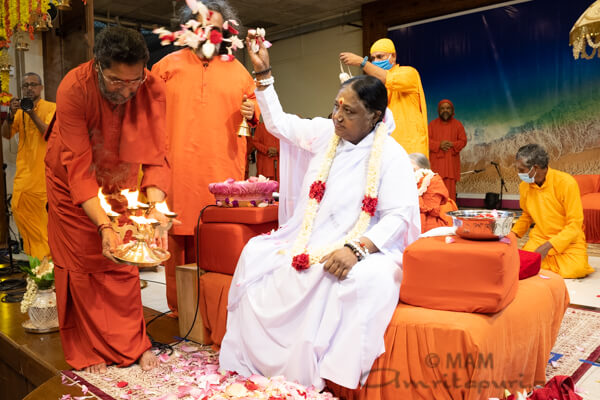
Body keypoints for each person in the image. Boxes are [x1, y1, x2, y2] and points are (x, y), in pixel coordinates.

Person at [219, 33, 421, 391]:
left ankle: (325, 371)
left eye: (349, 111)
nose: (338, 117)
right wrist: (264, 75)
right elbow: (279, 124)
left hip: (366, 247)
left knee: (363, 280)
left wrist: (356, 249)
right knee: (256, 254)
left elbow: (397, 217)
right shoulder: (325, 134)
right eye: (336, 106)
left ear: (375, 116)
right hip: (310, 238)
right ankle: (257, 359)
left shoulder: (390, 156)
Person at [45, 26, 171, 373]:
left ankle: (133, 344)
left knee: (124, 259)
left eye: (134, 82)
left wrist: (155, 211)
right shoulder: (74, 87)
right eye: (117, 82)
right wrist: (102, 224)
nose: (127, 92)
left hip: (121, 179)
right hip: (71, 183)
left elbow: (157, 158)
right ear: (99, 66)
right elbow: (79, 168)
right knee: (86, 264)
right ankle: (89, 350)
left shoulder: (151, 88)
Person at [151, 0, 259, 315]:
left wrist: (254, 113)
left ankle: (221, 312)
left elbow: (255, 113)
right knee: (179, 243)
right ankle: (179, 311)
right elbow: (148, 116)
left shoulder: (239, 71)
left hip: (222, 171)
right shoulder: (167, 66)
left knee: (220, 242)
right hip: (177, 168)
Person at [511, 144, 594, 278]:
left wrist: (549, 246)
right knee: (522, 263)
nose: (519, 174)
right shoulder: (524, 186)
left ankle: (546, 264)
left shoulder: (566, 182)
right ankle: (546, 263)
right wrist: (512, 235)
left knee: (576, 270)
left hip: (568, 240)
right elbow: (527, 215)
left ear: (535, 168)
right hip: (540, 238)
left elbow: (575, 224)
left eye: (521, 170)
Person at [339, 38, 428, 156]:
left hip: (411, 148)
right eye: (373, 58)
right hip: (387, 148)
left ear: (393, 56)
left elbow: (388, 79)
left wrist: (363, 62)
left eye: (380, 57)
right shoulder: (377, 86)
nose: (375, 61)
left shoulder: (409, 73)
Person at [1, 73, 55, 260]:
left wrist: (31, 112)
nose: (29, 88)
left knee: (40, 223)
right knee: (18, 209)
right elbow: (7, 135)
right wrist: (10, 116)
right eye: (25, 86)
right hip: (23, 174)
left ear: (41, 87)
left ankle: (46, 264)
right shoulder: (19, 112)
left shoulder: (52, 108)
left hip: (41, 175)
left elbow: (48, 132)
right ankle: (37, 261)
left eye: (33, 85)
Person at [428, 99, 467, 201]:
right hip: (436, 165)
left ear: (452, 110)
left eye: (448, 108)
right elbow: (425, 141)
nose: (445, 110)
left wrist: (452, 144)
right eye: (442, 108)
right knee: (435, 192)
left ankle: (449, 214)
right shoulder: (432, 125)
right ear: (438, 111)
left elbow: (463, 141)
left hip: (450, 165)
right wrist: (439, 145)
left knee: (450, 195)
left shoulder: (458, 125)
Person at [408, 153, 451, 233]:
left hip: (428, 223)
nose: (409, 172)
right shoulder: (407, 180)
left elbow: (432, 210)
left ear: (423, 168)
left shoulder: (434, 180)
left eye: (412, 169)